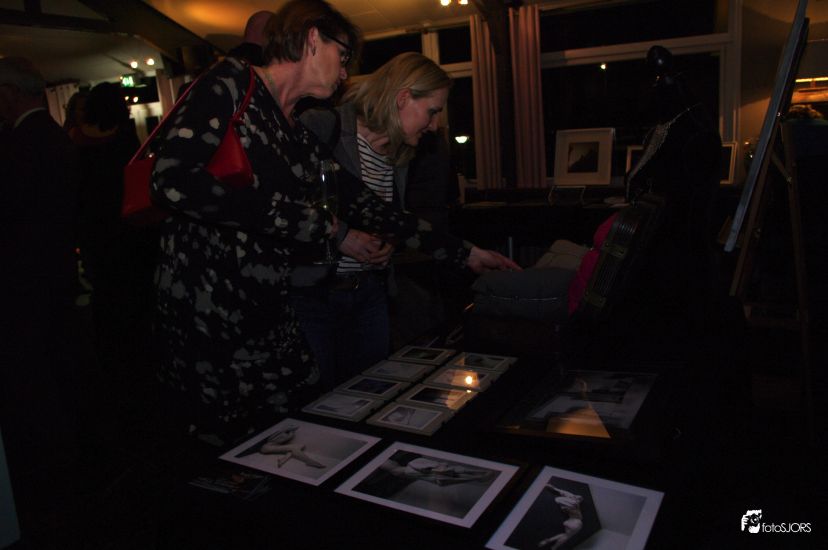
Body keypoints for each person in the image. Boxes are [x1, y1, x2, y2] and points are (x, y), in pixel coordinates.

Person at [150, 0, 513, 445]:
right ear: (312, 38)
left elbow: (364, 205)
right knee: (228, 442)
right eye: (343, 57)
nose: (345, 73)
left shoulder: (293, 130)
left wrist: (464, 253)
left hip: (266, 308)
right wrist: (319, 224)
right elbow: (172, 181)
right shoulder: (230, 82)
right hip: (211, 311)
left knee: (295, 429)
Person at [294, 52, 520, 389]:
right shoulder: (323, 126)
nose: (434, 126)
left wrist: (391, 242)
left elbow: (390, 218)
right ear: (402, 98)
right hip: (315, 298)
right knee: (318, 400)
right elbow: (286, 205)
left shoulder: (399, 153)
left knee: (369, 395)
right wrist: (341, 236)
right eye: (432, 112)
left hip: (369, 292)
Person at [0, 55, 81, 530]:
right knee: (58, 364)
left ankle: (50, 472)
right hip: (54, 272)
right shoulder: (52, 136)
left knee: (35, 377)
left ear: (10, 92)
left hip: (25, 279)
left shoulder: (20, 144)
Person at [75, 82, 157, 387]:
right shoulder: (125, 140)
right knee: (134, 303)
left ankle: (113, 368)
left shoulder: (78, 143)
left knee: (107, 301)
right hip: (130, 234)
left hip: (98, 236)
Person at [538, 484, 584, 549]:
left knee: (566, 536)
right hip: (574, 522)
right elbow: (559, 491)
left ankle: (550, 543)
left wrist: (551, 487)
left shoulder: (573, 502)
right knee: (566, 536)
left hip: (573, 522)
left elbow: (560, 491)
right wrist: (551, 487)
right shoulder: (572, 501)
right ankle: (551, 544)